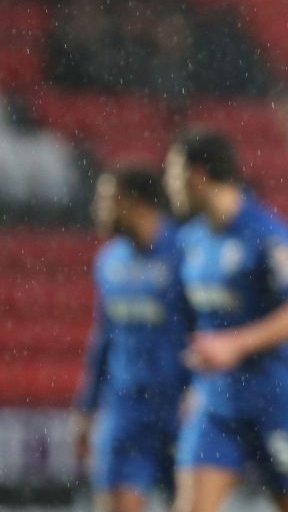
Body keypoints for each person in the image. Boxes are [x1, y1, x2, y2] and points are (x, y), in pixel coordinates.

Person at [163, 128, 288, 512]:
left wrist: (235, 344)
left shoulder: (268, 234)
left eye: (173, 173)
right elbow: (191, 323)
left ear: (198, 174)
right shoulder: (190, 241)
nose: (169, 185)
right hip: (216, 403)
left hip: (277, 399)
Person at [71, 165, 190, 512]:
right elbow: (104, 339)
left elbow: (208, 328)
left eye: (109, 199)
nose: (99, 208)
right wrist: (86, 407)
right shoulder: (108, 261)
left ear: (138, 203)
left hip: (179, 408)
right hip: (125, 407)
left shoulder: (183, 253)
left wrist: (200, 389)